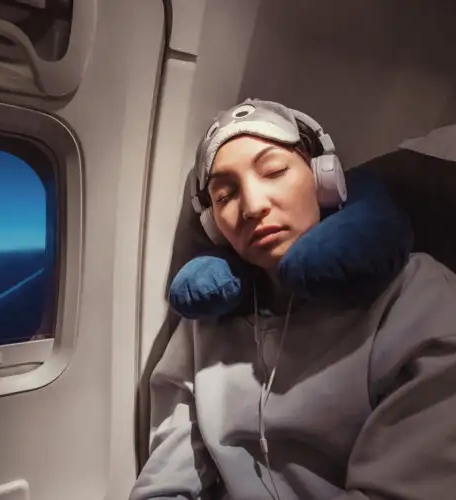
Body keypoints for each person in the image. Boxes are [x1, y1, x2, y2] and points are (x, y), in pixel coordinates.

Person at [130, 99, 456, 500]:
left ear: (325, 179)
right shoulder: (203, 324)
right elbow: (166, 483)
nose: (252, 206)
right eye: (224, 195)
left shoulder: (417, 296)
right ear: (214, 226)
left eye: (274, 171)